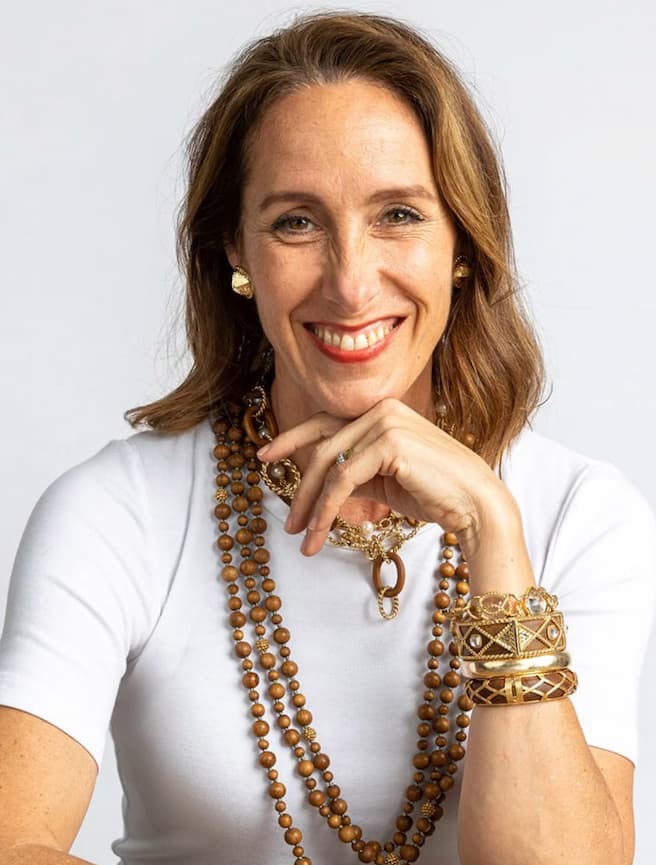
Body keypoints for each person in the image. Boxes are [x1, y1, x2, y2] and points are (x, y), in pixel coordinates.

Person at [0, 10, 654, 865]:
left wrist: (495, 540)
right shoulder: (117, 511)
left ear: (462, 239)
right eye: (296, 222)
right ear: (234, 248)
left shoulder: (576, 513)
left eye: (399, 215)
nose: (350, 283)